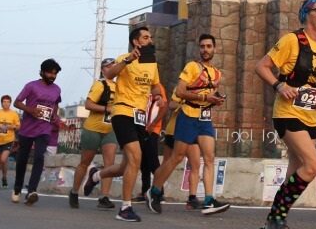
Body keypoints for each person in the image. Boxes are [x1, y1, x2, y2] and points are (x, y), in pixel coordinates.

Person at [254, 0, 316, 229]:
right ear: (306, 13)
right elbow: (261, 66)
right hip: (288, 114)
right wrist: (279, 85)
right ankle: (276, 215)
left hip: (311, 117)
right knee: (313, 165)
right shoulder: (291, 41)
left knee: (293, 173)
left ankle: (275, 220)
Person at [83, 26, 163, 222]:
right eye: (146, 37)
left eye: (150, 37)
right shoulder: (124, 58)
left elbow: (154, 84)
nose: (150, 40)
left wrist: (159, 95)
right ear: (136, 42)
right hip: (122, 112)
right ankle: (125, 208)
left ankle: (95, 175)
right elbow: (110, 75)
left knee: (125, 166)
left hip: (140, 116)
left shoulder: (152, 63)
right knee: (136, 157)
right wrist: (128, 60)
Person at [146, 33, 231, 214]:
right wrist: (203, 97)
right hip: (187, 116)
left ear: (214, 49)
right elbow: (180, 91)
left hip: (204, 119)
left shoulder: (217, 73)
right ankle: (154, 191)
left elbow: (210, 97)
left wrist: (215, 100)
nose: (205, 50)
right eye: (202, 47)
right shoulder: (192, 67)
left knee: (209, 159)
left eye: (208, 46)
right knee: (176, 158)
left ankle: (209, 199)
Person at [10, 58, 63, 206]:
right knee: (22, 159)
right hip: (27, 128)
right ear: (42, 72)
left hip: (44, 129)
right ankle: (17, 188)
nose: (52, 76)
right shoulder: (31, 86)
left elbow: (55, 104)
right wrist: (31, 110)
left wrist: (54, 115)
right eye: (50, 73)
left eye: (55, 74)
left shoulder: (57, 89)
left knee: (40, 157)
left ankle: (32, 191)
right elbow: (17, 102)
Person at [71, 58, 119, 210]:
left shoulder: (120, 86)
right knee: (85, 162)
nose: (112, 68)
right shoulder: (100, 84)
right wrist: (106, 109)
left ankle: (104, 197)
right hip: (93, 128)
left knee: (109, 163)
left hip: (110, 129)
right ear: (103, 69)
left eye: (114, 66)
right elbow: (88, 104)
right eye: (109, 66)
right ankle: (74, 192)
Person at [0, 94, 18, 188]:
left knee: (3, 160)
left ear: (10, 103)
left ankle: (4, 177)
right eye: (4, 102)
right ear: (1, 103)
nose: (6, 104)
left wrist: (8, 127)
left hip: (8, 140)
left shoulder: (13, 113)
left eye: (8, 102)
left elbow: (18, 126)